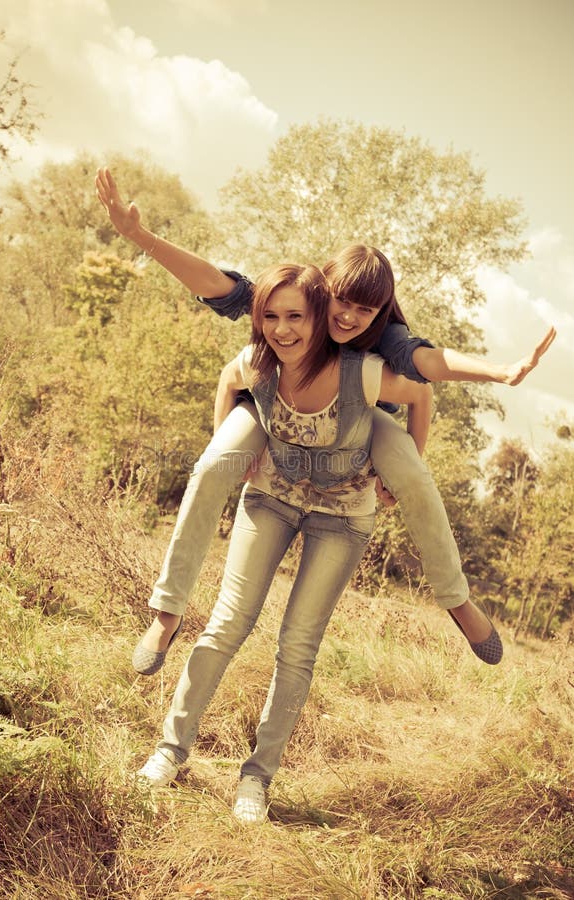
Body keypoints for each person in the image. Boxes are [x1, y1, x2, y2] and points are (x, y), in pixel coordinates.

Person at [94, 167, 555, 671]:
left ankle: (457, 600)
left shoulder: (383, 338)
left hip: (359, 420)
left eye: (367, 310)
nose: (350, 318)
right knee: (209, 468)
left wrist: (499, 372)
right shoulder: (295, 302)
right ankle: (167, 613)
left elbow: (429, 369)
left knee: (416, 476)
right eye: (343, 302)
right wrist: (139, 236)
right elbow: (218, 286)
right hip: (271, 403)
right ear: (322, 289)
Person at [136, 260, 433, 823]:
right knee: (228, 623)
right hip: (270, 497)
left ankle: (256, 778)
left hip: (343, 516)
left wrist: (405, 466)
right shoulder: (269, 360)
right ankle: (170, 752)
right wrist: (234, 443)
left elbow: (421, 391)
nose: (284, 327)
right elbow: (230, 377)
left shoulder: (360, 367)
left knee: (297, 647)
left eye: (297, 316)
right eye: (274, 317)